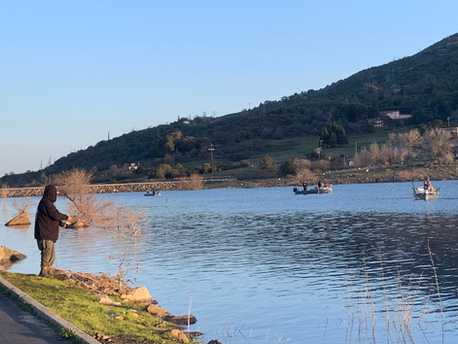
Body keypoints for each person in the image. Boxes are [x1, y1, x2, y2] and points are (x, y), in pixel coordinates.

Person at [34, 185, 72, 277]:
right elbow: (54, 214)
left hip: (48, 233)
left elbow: (52, 216)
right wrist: (66, 217)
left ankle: (49, 269)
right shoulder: (45, 202)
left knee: (51, 253)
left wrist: (60, 223)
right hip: (44, 233)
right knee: (47, 251)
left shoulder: (48, 203)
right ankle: (43, 271)